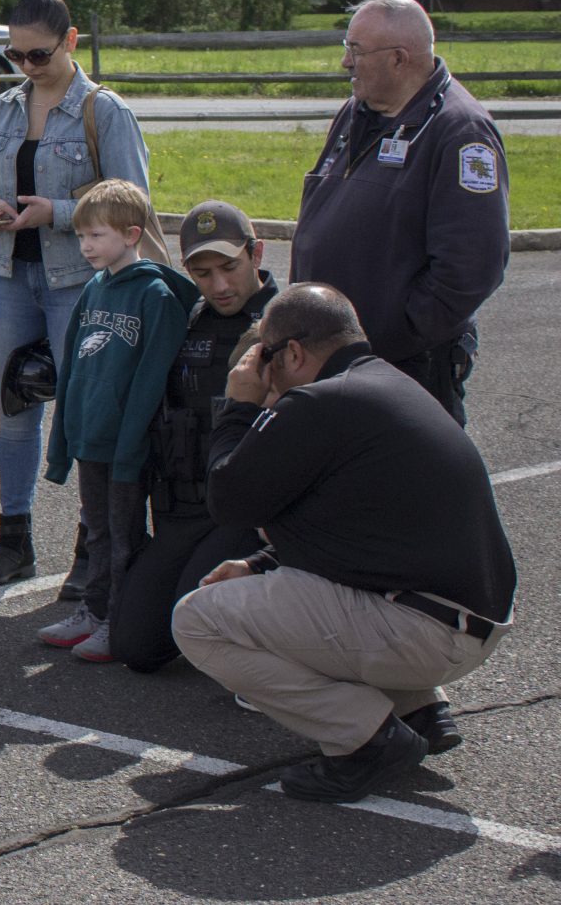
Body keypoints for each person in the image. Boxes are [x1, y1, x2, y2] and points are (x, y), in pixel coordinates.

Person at [174, 284, 515, 804]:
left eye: (266, 356)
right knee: (276, 587)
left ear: (290, 353)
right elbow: (354, 527)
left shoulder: (319, 401)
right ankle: (416, 707)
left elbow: (231, 499)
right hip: (462, 623)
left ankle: (368, 738)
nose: (263, 372)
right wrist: (259, 564)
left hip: (426, 631)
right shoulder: (384, 384)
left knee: (198, 620)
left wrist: (241, 406)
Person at [0, 0, 153, 592]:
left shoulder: (105, 110)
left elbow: (135, 204)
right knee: (15, 410)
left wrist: (60, 213)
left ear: (71, 41)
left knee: (86, 411)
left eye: (38, 54)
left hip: (83, 281)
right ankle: (13, 539)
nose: (26, 65)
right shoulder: (0, 110)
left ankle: (90, 547)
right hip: (11, 274)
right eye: (14, 55)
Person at [291, 0, 509, 427]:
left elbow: (471, 266)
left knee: (405, 490)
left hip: (403, 369)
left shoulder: (460, 132)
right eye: (345, 47)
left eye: (355, 50)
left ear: (398, 59)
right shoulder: (359, 112)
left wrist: (396, 335)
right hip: (335, 360)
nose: (345, 63)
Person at [35, 180, 196, 663]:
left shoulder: (155, 295)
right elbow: (75, 371)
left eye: (96, 236)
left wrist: (129, 446)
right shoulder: (94, 288)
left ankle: (119, 621)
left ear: (131, 234)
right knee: (98, 531)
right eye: (81, 236)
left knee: (125, 535)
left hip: (130, 445)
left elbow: (150, 381)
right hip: (93, 440)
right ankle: (95, 609)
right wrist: (64, 439)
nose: (86, 246)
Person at [112, 200, 276, 673]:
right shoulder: (183, 317)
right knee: (136, 647)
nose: (219, 285)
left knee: (196, 614)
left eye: (229, 267)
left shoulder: (287, 322)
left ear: (257, 253)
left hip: (247, 514)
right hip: (185, 508)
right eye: (202, 273)